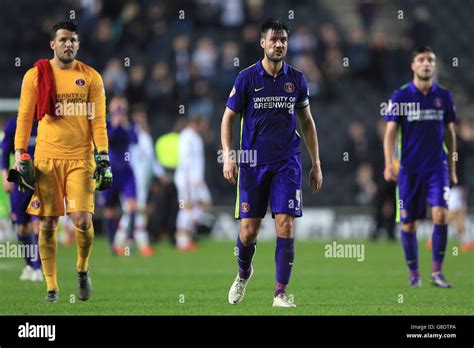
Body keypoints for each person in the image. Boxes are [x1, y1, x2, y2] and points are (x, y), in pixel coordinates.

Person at [221, 18, 323, 307]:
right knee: (248, 231)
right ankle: (243, 273)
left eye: (284, 40)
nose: (279, 44)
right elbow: (228, 118)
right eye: (274, 39)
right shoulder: (246, 78)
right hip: (252, 164)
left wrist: (315, 162)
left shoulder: (297, 80)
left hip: (287, 162)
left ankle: (280, 293)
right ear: (262, 43)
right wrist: (228, 155)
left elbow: (307, 121)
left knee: (286, 225)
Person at [14, 21, 112, 302]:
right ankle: (52, 288)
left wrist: (102, 156)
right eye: (63, 39)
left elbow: (98, 121)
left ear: (78, 45)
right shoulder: (36, 75)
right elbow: (24, 116)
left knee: (82, 220)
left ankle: (82, 269)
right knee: (46, 223)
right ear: (53, 44)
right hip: (46, 158)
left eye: (73, 40)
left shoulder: (91, 77)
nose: (68, 44)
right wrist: (21, 153)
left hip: (81, 158)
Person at [383, 46, 457, 288]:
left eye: (430, 60)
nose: (426, 64)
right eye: (421, 60)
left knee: (441, 215)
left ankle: (437, 272)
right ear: (413, 65)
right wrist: (388, 163)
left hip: (438, 167)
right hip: (409, 169)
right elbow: (390, 133)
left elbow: (450, 133)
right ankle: (414, 274)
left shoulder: (444, 96)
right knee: (409, 223)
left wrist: (453, 168)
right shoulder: (401, 96)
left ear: (434, 66)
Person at [2, 118, 43, 281]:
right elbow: (5, 152)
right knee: (22, 228)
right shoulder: (13, 125)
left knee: (37, 223)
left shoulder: (44, 122)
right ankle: (29, 265)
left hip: (40, 181)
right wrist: (5, 175)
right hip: (20, 183)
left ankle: (38, 267)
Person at [128, 107, 168, 255]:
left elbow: (151, 160)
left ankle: (126, 241)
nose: (143, 119)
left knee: (136, 209)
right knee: (135, 208)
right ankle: (140, 242)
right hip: (135, 178)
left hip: (145, 178)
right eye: (140, 117)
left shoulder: (145, 136)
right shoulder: (133, 135)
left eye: (144, 117)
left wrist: (160, 174)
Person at [100, 96, 137, 255]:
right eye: (117, 106)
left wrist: (125, 125)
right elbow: (107, 140)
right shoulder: (106, 124)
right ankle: (111, 243)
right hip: (110, 170)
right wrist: (116, 125)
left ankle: (129, 238)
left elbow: (135, 139)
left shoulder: (130, 124)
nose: (120, 109)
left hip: (126, 171)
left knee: (132, 205)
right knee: (110, 210)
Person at [174, 113, 212, 251]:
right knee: (187, 207)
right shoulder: (187, 136)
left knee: (198, 207)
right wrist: (191, 181)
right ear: (197, 123)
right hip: (187, 178)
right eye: (203, 124)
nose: (205, 127)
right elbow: (186, 161)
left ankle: (186, 237)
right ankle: (182, 240)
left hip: (194, 179)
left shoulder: (195, 137)